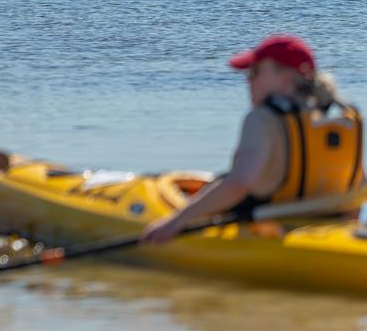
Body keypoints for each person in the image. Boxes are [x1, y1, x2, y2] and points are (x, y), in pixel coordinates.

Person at [141, 35, 361, 245]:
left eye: (255, 71)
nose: (248, 79)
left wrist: (175, 222)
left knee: (225, 182)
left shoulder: (262, 119)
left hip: (271, 231)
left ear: (285, 77)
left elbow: (238, 184)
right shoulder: (341, 123)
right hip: (330, 228)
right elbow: (356, 191)